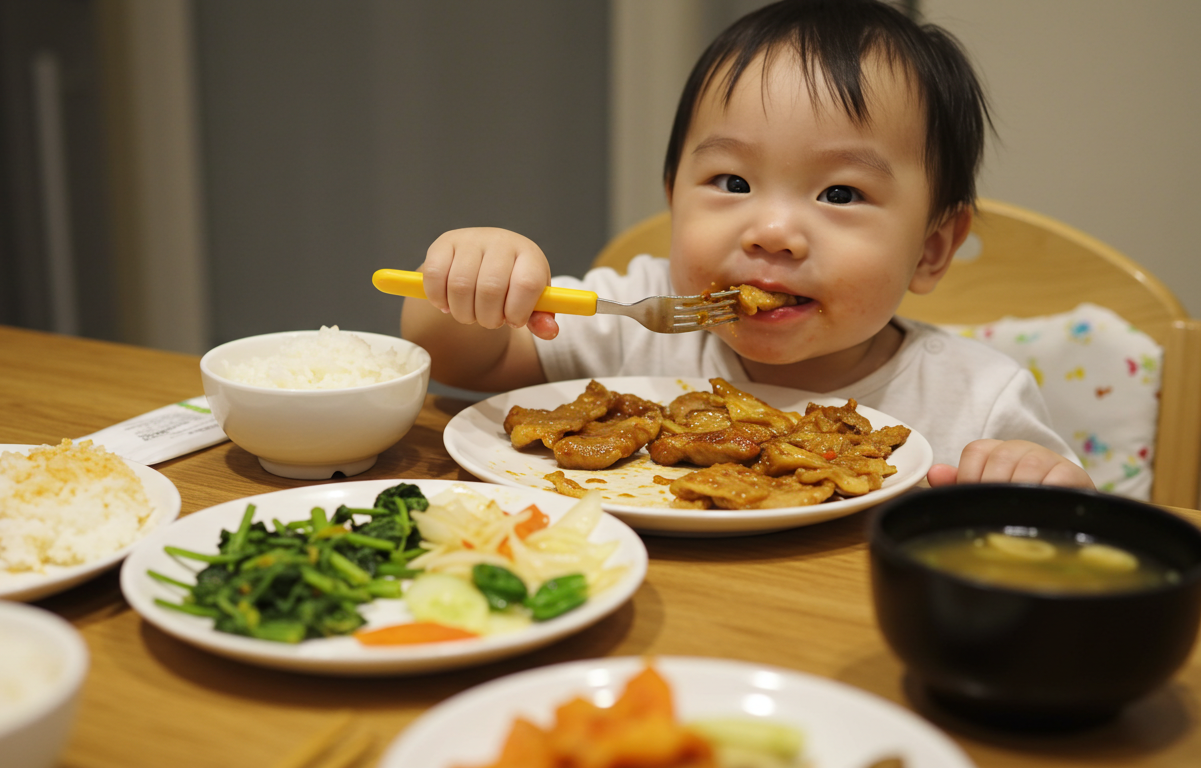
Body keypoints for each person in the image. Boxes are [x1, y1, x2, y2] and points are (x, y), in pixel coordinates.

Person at [400, 0, 1092, 491]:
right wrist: (473, 281)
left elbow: (1067, 549)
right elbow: (460, 360)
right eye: (732, 181)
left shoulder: (975, 398)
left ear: (932, 250)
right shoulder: (634, 320)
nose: (772, 232)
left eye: (840, 194)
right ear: (673, 197)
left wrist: (1040, 487)